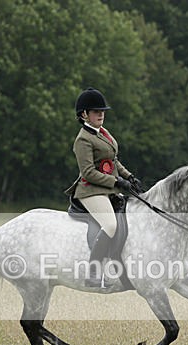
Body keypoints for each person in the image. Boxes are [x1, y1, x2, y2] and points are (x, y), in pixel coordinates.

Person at [65, 88, 142, 287]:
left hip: (107, 188)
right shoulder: (82, 140)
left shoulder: (103, 134)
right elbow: (89, 172)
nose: (101, 114)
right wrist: (116, 182)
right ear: (84, 115)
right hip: (90, 190)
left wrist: (128, 176)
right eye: (96, 111)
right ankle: (93, 273)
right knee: (110, 225)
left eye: (102, 111)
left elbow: (113, 161)